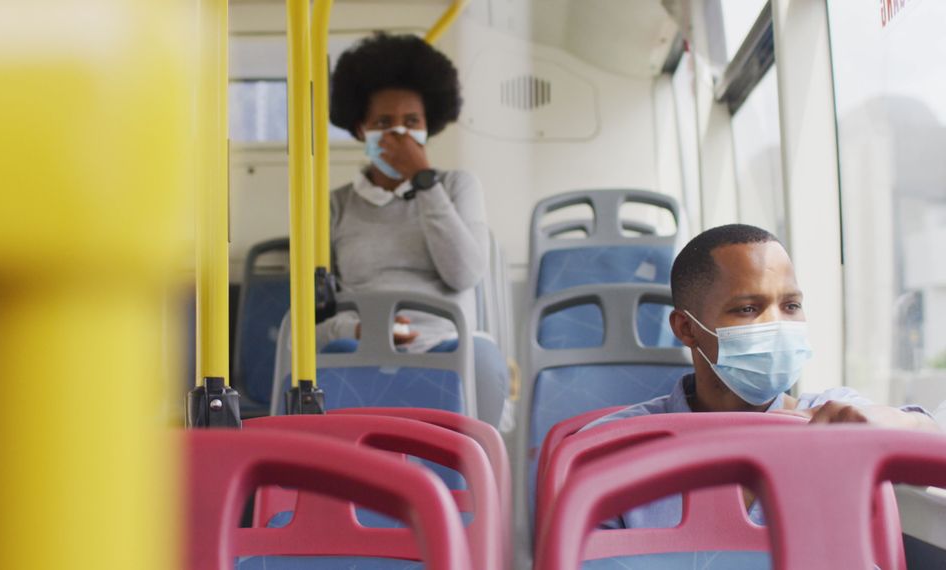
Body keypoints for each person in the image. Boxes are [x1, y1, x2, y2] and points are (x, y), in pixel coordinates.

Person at [581, 224, 937, 529]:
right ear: (687, 329)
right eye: (748, 309)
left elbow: (934, 450)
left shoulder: (832, 419)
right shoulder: (614, 448)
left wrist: (887, 422)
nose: (777, 325)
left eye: (791, 306)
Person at [314, 32, 510, 428]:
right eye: (384, 123)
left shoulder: (457, 187)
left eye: (411, 123)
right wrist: (357, 327)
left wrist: (424, 182)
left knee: (485, 362)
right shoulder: (333, 206)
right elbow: (314, 315)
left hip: (445, 343)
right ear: (359, 130)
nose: (400, 136)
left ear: (428, 127)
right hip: (360, 342)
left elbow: (465, 272)